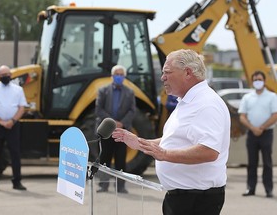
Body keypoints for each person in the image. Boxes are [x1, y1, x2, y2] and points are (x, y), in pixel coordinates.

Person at [112, 49, 230, 215]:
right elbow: (173, 139)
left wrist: (166, 155)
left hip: (197, 200)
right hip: (182, 197)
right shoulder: (188, 101)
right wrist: (139, 143)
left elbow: (209, 151)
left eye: (167, 72)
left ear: (188, 73)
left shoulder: (207, 104)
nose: (162, 78)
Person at [95, 64, 136, 193]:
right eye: (116, 74)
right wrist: (112, 123)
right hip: (106, 131)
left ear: (124, 77)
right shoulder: (103, 91)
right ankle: (103, 185)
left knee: (120, 160)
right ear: (112, 76)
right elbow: (98, 109)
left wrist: (121, 123)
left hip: (122, 131)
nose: (119, 77)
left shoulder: (130, 92)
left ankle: (121, 186)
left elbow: (132, 110)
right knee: (104, 159)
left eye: (121, 74)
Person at [238, 70, 277, 198]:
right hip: (252, 134)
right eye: (255, 80)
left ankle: (268, 189)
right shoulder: (247, 97)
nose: (257, 82)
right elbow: (242, 117)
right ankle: (250, 188)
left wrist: (261, 127)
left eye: (259, 79)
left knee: (267, 162)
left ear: (264, 81)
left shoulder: (272, 96)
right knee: (252, 162)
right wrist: (253, 128)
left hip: (267, 133)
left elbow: (275, 115)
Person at [0, 65, 28, 191]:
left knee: (15, 154)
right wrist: (0, 121)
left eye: (7, 74)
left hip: (13, 125)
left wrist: (12, 120)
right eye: (2, 75)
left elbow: (22, 107)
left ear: (10, 75)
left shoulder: (18, 90)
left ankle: (17, 181)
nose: (5, 77)